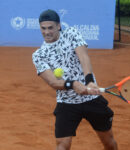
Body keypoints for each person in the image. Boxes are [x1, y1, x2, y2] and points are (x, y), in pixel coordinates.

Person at [32, 9, 118, 150]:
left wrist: (89, 80)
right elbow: (53, 82)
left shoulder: (72, 34)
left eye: (50, 28)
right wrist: (72, 84)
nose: (47, 32)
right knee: (62, 146)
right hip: (67, 103)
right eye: (43, 28)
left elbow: (83, 57)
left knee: (109, 143)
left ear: (58, 26)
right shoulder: (39, 55)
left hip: (92, 98)